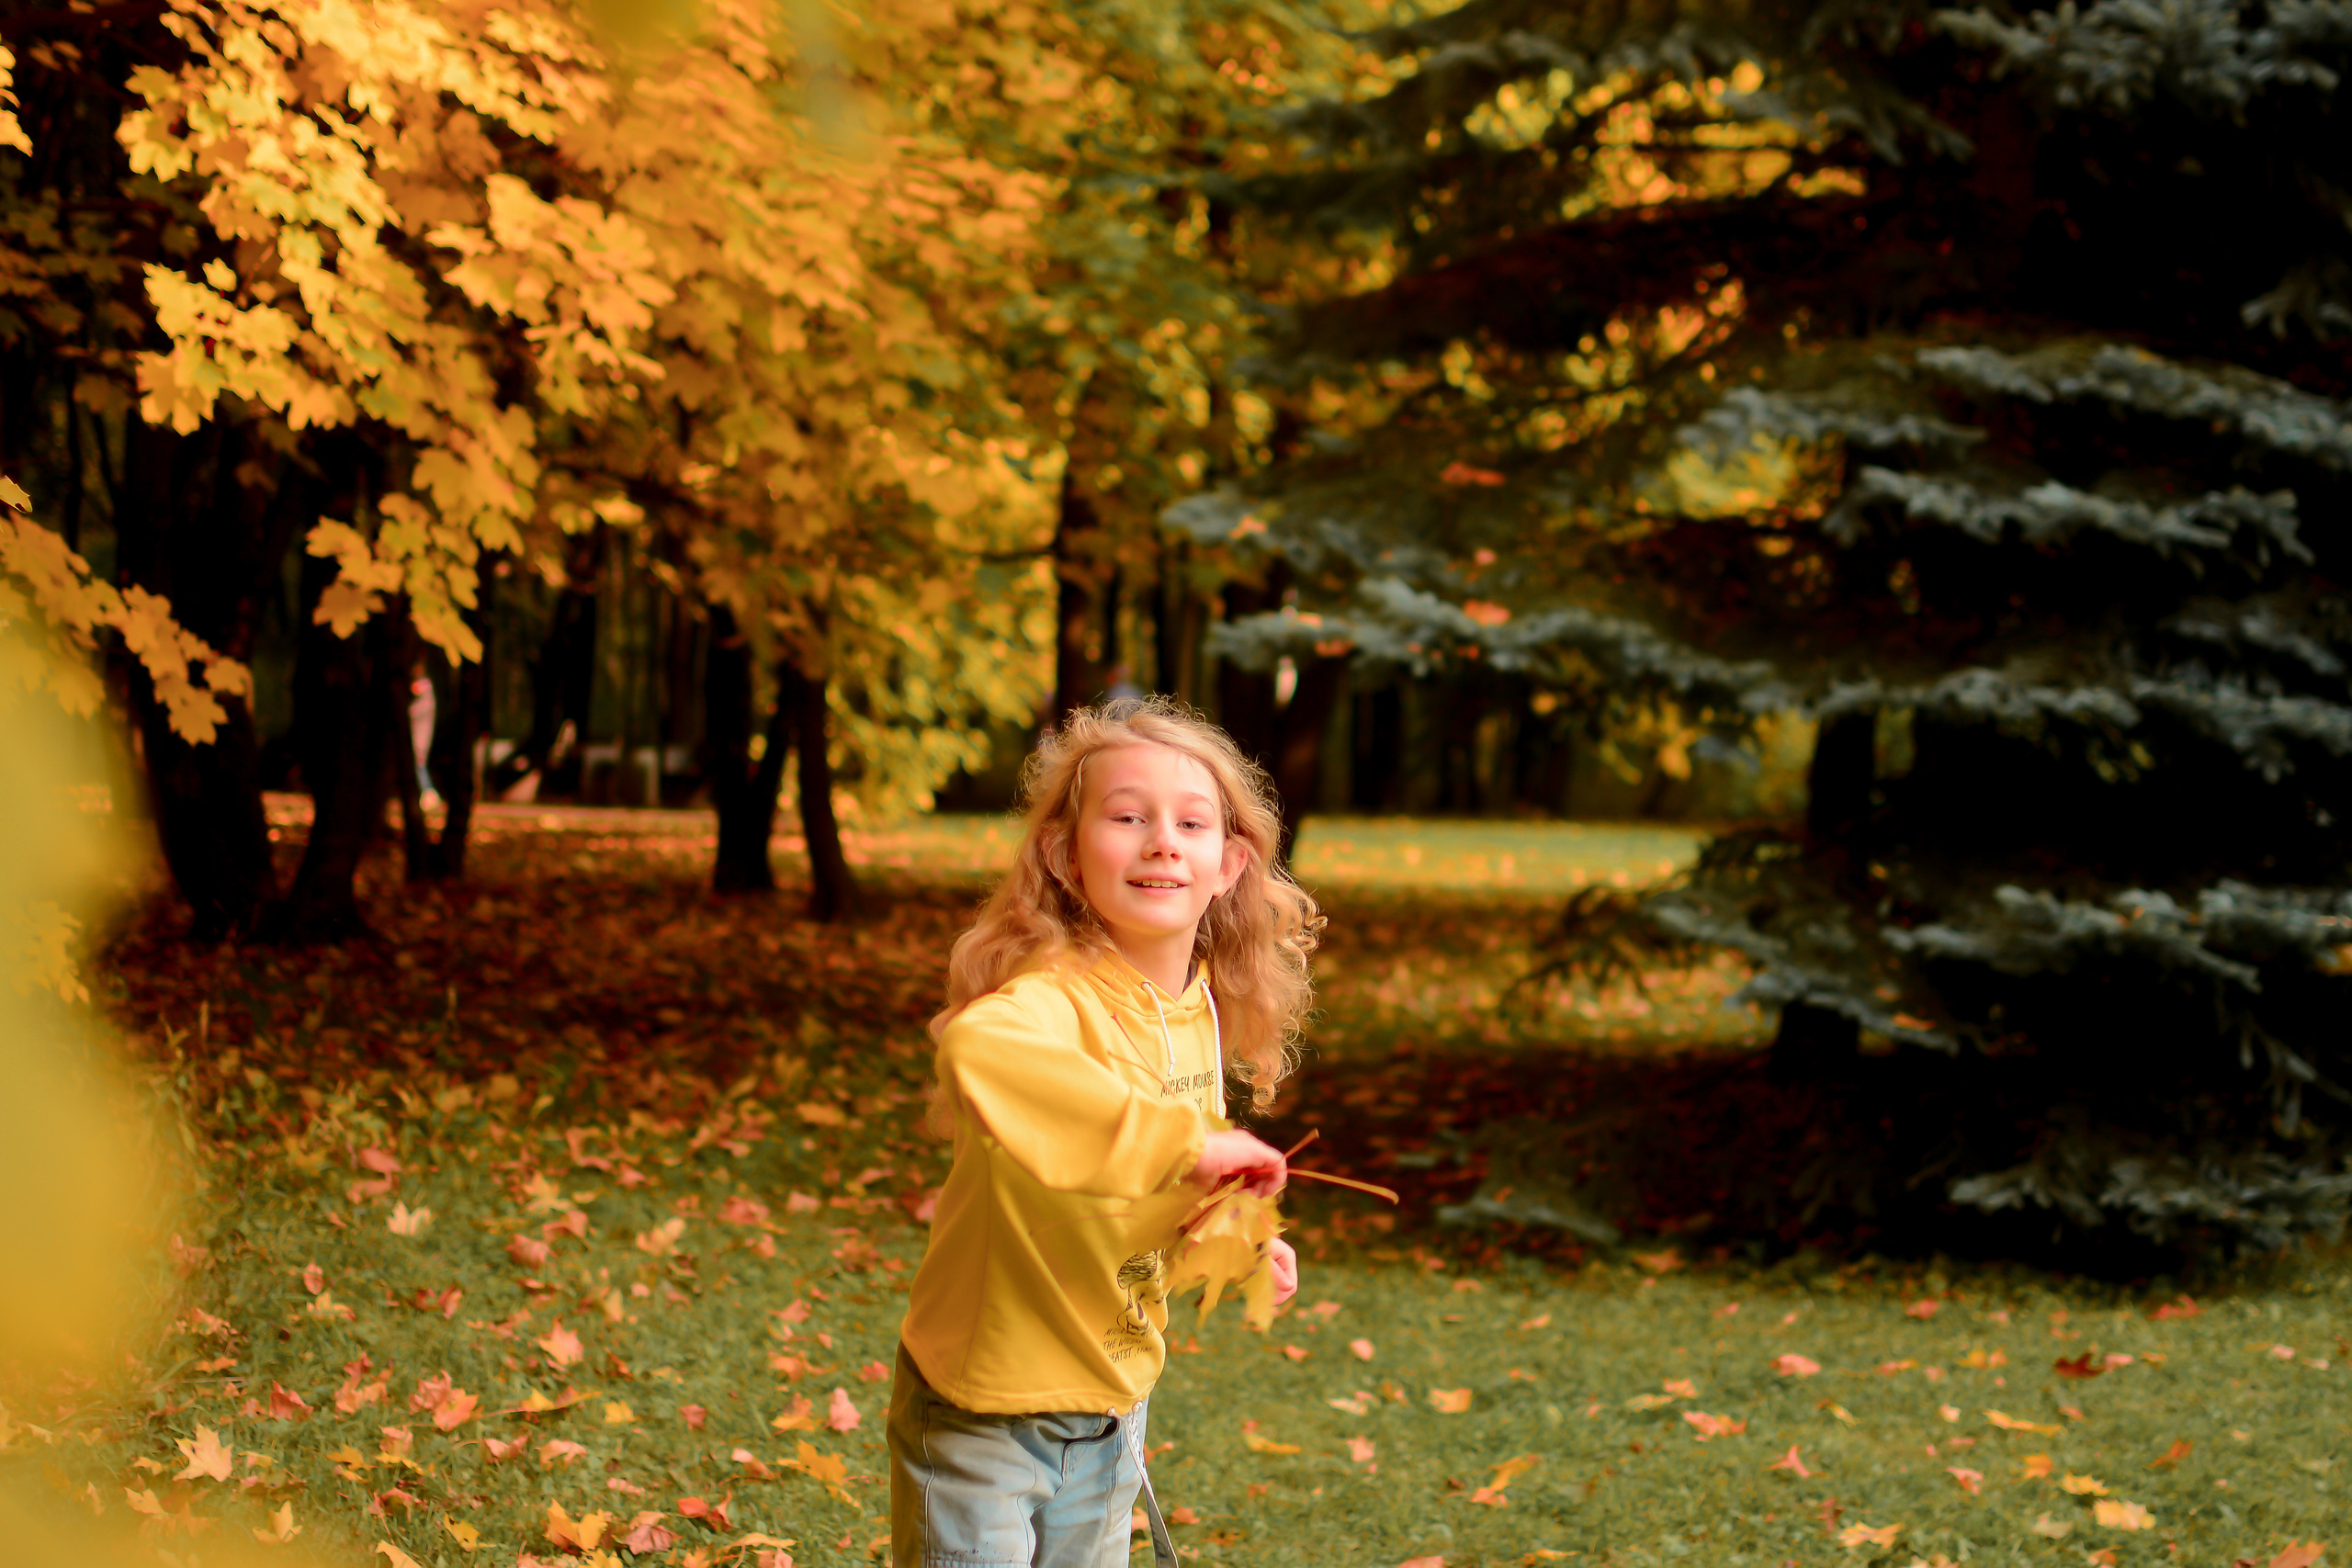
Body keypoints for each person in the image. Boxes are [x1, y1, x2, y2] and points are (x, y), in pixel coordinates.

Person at [891, 697, 1321, 1568]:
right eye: (1128, 817)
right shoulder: (1050, 998)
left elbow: (1172, 1175)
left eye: (1191, 823)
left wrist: (1234, 1236)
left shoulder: (1194, 1007)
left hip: (1114, 1400)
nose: (1163, 839)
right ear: (1064, 850)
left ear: (1228, 863)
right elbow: (980, 1048)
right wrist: (1187, 1146)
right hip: (986, 1405)